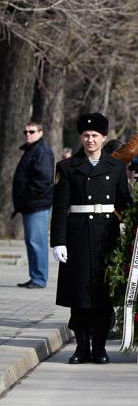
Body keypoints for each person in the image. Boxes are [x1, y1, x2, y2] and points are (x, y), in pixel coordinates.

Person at [50, 113, 131, 364]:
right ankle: (82, 347)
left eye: (95, 136)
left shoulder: (116, 167)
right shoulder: (67, 167)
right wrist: (58, 241)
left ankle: (100, 347)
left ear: (104, 138)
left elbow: (124, 200)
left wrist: (129, 225)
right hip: (78, 236)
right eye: (86, 136)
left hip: (106, 236)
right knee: (80, 295)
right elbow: (61, 207)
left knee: (103, 295)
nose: (90, 140)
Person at [13, 122, 55, 289]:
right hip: (30, 205)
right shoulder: (32, 150)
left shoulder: (41, 151)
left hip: (37, 205)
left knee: (37, 242)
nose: (28, 134)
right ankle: (35, 276)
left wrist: (27, 196)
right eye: (25, 132)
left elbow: (43, 180)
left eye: (32, 131)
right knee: (32, 242)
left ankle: (39, 279)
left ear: (40, 132)